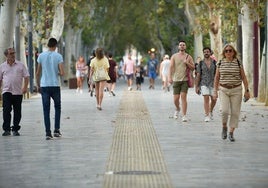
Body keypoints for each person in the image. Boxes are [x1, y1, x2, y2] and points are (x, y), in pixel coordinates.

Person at [213, 44, 250, 142]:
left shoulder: (238, 62)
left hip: (236, 90)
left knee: (235, 112)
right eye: (226, 51)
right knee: (224, 111)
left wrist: (247, 90)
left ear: (234, 52)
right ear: (224, 53)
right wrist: (215, 91)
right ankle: (224, 127)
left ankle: (231, 132)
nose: (228, 52)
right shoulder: (220, 63)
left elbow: (244, 77)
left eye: (230, 51)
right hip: (223, 89)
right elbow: (216, 78)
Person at [36, 38, 64, 140]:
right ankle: (56, 130)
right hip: (55, 85)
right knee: (57, 107)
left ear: (48, 45)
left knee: (46, 110)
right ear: (55, 46)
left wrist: (38, 85)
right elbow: (62, 73)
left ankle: (48, 133)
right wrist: (56, 72)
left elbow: (38, 72)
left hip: (44, 85)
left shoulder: (41, 56)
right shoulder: (59, 56)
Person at [0, 48, 29, 136]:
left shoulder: (20, 65)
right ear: (6, 55)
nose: (13, 55)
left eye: (13, 53)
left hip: (18, 92)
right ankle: (6, 129)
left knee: (17, 111)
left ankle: (15, 129)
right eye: (11, 53)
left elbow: (26, 76)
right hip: (6, 91)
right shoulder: (2, 66)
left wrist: (25, 88)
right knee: (6, 110)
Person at [168, 40, 195, 122]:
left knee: (183, 97)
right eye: (180, 45)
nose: (182, 46)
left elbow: (193, 68)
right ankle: (177, 108)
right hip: (176, 79)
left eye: (183, 45)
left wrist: (187, 63)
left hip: (185, 80)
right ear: (178, 47)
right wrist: (170, 77)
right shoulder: (174, 56)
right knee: (175, 99)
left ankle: (184, 115)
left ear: (185, 47)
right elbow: (171, 67)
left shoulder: (189, 57)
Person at [195, 47, 217, 122]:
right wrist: (197, 86)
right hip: (204, 83)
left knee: (214, 99)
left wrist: (218, 84)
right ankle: (207, 115)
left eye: (207, 52)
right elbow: (198, 75)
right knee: (206, 98)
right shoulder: (200, 63)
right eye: (204, 52)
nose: (206, 53)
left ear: (210, 53)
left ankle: (210, 111)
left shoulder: (214, 62)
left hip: (213, 83)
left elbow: (217, 74)